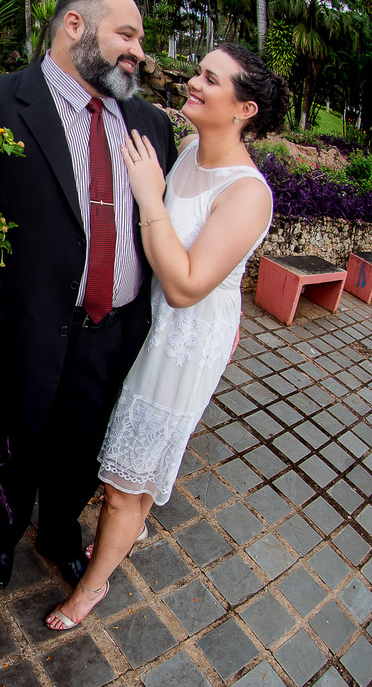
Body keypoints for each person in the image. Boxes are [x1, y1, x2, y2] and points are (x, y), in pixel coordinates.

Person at [0, 0, 178, 589]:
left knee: (83, 446)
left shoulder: (151, 125)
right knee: (12, 441)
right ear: (74, 26)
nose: (139, 53)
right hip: (24, 328)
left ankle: (59, 531)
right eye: (126, 36)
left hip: (116, 328)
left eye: (141, 41)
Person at [45, 43, 289, 629]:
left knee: (124, 484)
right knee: (130, 462)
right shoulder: (187, 154)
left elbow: (184, 286)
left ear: (244, 109)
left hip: (183, 341)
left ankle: (90, 590)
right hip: (145, 326)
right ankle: (133, 515)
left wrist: (149, 193)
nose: (193, 83)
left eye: (211, 78)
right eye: (198, 71)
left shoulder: (248, 193)